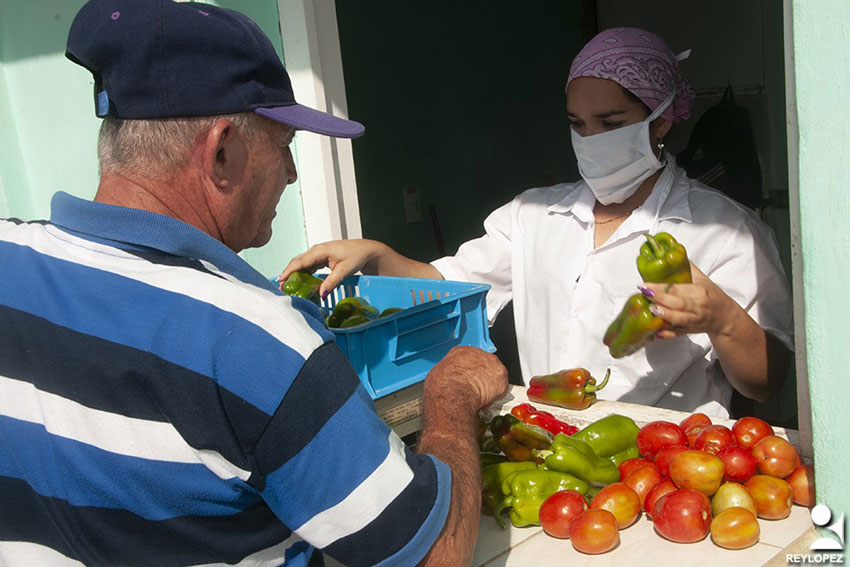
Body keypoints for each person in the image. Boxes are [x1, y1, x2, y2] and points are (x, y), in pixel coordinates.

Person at [0, 1, 507, 566]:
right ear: (221, 150)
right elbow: (436, 551)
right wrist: (450, 395)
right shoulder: (256, 339)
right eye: (285, 147)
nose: (291, 174)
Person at [281, 27, 793, 419]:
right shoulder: (532, 216)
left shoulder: (725, 230)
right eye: (577, 124)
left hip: (666, 466)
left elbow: (766, 383)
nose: (590, 139)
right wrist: (377, 254)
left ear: (660, 120)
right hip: (553, 451)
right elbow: (447, 283)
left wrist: (722, 319)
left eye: (610, 124)